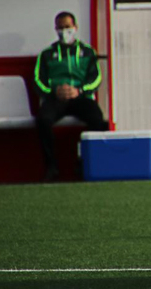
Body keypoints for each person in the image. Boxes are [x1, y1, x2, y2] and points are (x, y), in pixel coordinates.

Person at [35, 11, 109, 182]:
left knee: (97, 119)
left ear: (75, 28)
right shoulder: (46, 54)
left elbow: (96, 78)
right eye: (60, 28)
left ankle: (85, 163)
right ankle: (51, 167)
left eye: (67, 27)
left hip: (80, 97)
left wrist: (80, 90)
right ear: (55, 29)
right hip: (56, 98)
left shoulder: (87, 52)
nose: (64, 31)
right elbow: (38, 80)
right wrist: (53, 91)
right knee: (43, 120)